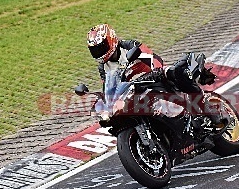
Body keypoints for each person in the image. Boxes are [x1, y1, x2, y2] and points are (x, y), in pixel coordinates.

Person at [86, 24, 226, 131]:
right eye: (95, 50)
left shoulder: (129, 46)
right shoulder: (103, 66)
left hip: (152, 76)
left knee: (175, 73)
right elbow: (108, 87)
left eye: (102, 47)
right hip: (132, 89)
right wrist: (105, 103)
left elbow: (152, 58)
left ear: (111, 40)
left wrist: (157, 71)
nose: (99, 52)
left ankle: (212, 113)